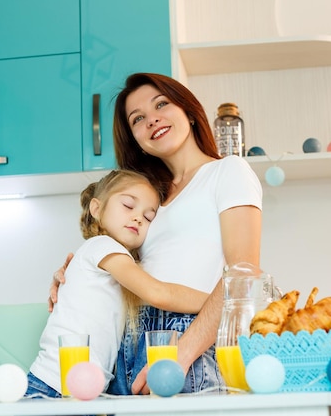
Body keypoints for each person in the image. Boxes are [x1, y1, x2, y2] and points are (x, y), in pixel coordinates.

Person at [50, 72, 263, 395]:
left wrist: (182, 352)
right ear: (135, 139)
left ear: (189, 112)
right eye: (138, 119)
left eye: (161, 104)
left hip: (188, 339)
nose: (152, 120)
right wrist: (73, 274)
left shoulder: (228, 171)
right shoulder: (148, 203)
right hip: (129, 342)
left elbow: (243, 273)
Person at [26, 169, 209, 398]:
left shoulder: (113, 261)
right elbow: (157, 292)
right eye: (128, 205)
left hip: (79, 390)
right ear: (96, 208)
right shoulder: (102, 246)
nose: (137, 218)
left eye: (148, 217)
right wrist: (216, 302)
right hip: (51, 386)